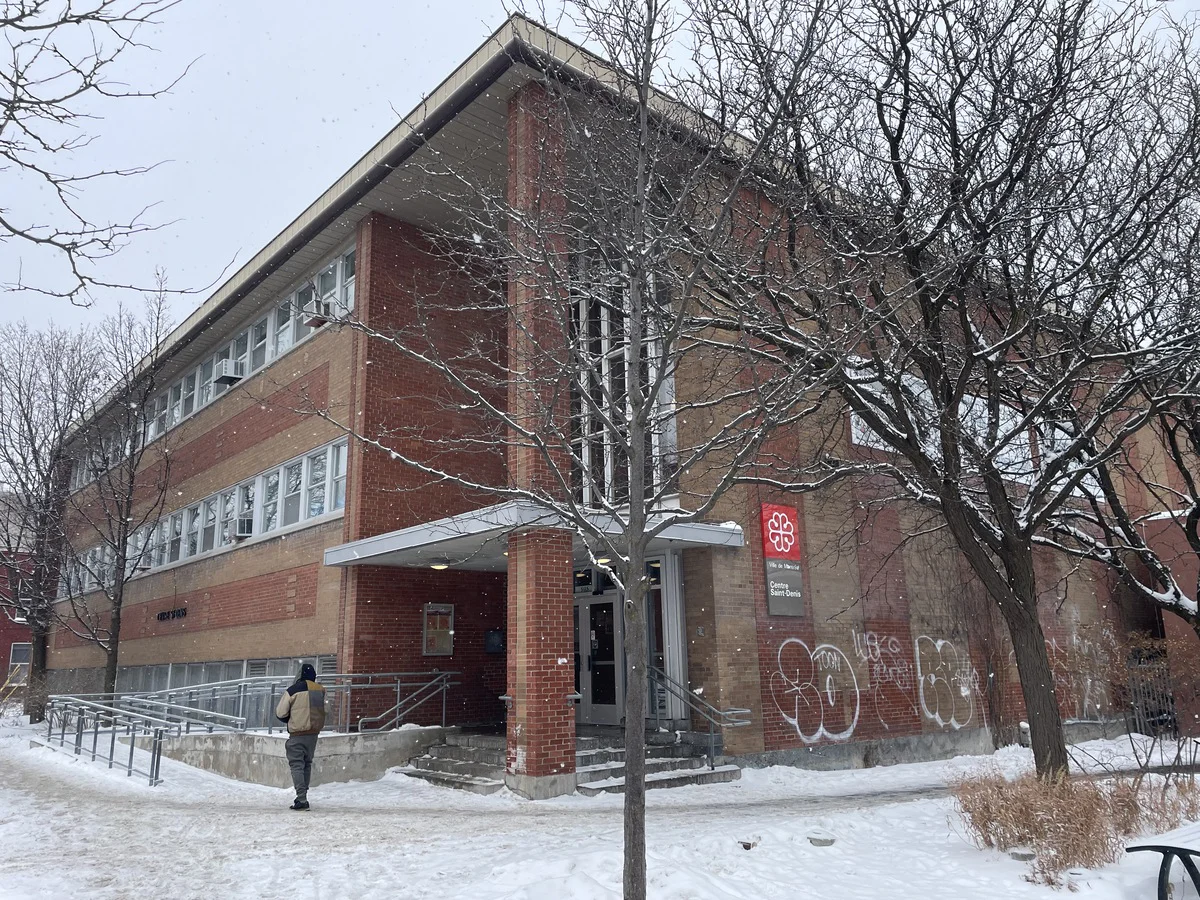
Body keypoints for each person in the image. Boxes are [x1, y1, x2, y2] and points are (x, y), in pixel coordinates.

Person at [275, 662, 326, 810]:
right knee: (307, 763)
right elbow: (326, 709)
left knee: (296, 764)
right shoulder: (320, 690)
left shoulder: (293, 690)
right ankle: (304, 794)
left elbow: (280, 712)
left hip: (298, 733)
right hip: (313, 734)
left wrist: (290, 718)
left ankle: (302, 799)